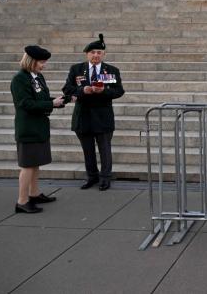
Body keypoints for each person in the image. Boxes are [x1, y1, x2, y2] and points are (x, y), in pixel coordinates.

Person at [62, 34, 124, 191]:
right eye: (92, 52)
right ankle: (91, 176)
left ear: (104, 54)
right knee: (87, 150)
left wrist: (103, 91)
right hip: (83, 116)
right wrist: (83, 90)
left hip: (103, 117)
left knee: (104, 150)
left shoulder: (111, 70)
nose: (96, 55)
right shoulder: (76, 69)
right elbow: (67, 89)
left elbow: (119, 91)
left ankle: (105, 178)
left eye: (99, 52)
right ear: (87, 54)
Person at [11, 45, 67, 213]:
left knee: (35, 164)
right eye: (41, 62)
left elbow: (40, 99)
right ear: (31, 61)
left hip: (39, 127)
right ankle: (22, 201)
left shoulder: (37, 77)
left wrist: (61, 100)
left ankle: (34, 194)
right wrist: (51, 103)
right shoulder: (20, 79)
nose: (44, 65)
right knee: (27, 165)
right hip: (28, 128)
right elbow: (25, 104)